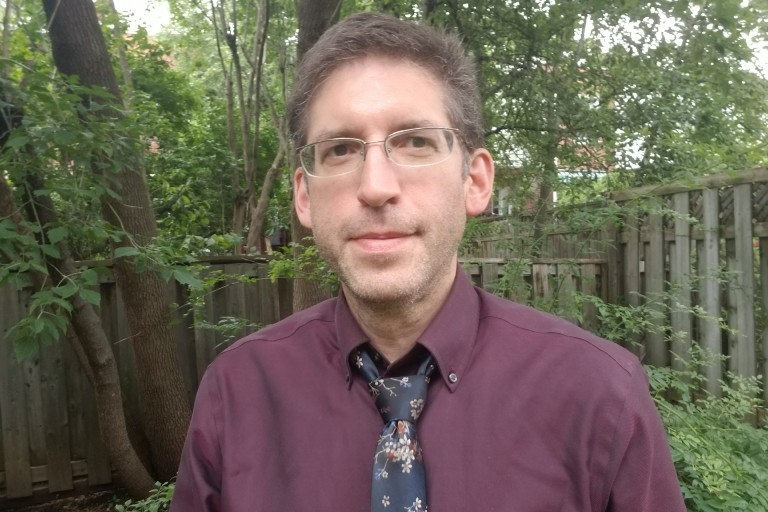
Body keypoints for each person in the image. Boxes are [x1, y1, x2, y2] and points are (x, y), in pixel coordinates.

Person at [171, 12, 686, 512]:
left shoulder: (600, 394)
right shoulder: (236, 393)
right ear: (304, 197)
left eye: (415, 142)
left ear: (476, 181)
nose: (375, 187)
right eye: (341, 149)